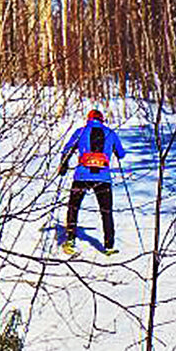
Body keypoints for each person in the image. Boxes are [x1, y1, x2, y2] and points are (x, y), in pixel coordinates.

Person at [58, 108, 126, 254]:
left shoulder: (80, 132)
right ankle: (109, 245)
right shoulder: (110, 133)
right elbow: (121, 154)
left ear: (88, 119)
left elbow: (67, 149)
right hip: (103, 178)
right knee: (106, 211)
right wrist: (112, 149)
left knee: (73, 207)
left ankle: (70, 239)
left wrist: (63, 165)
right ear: (102, 120)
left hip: (81, 176)